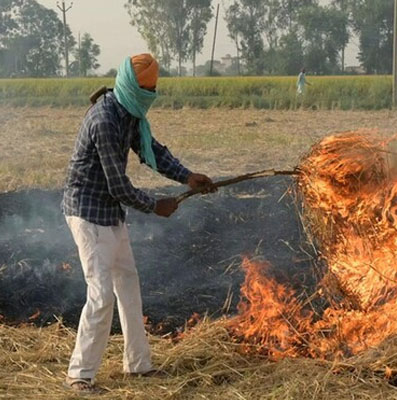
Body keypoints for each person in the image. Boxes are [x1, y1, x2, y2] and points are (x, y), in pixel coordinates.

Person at [61, 53, 215, 394]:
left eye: (154, 90)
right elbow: (118, 185)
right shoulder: (104, 120)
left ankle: (138, 365)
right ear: (132, 88)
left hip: (110, 214)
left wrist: (187, 177)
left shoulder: (129, 114)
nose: (151, 96)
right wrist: (154, 206)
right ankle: (79, 375)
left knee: (128, 287)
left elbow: (152, 151)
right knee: (101, 296)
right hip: (88, 214)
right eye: (148, 90)